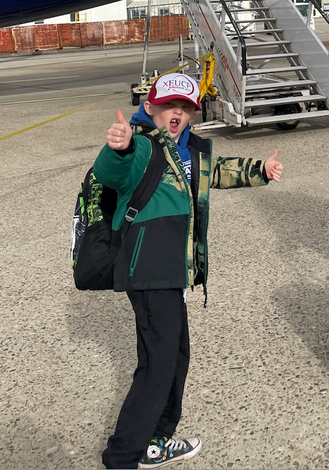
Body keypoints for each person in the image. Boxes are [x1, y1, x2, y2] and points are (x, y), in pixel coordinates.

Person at [96, 73, 283, 468]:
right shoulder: (142, 146)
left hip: (173, 272)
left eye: (184, 107)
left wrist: (261, 170)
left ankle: (158, 437)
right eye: (168, 107)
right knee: (157, 364)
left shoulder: (193, 150)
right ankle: (123, 455)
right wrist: (118, 149)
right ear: (151, 109)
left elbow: (221, 171)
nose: (176, 113)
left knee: (175, 357)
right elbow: (113, 174)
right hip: (148, 269)